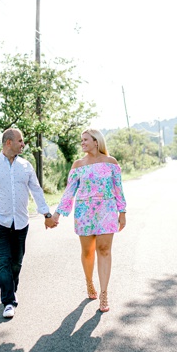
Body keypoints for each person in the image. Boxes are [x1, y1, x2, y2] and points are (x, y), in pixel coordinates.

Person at [0, 127, 56, 319]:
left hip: (20, 223)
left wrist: (46, 213)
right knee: (3, 262)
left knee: (16, 262)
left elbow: (36, 190)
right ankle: (9, 301)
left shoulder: (26, 166)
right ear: (8, 142)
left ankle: (11, 288)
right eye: (20, 141)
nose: (23, 144)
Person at [51, 128, 127, 312]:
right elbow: (69, 192)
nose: (82, 143)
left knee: (104, 250)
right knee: (87, 252)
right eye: (81, 140)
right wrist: (57, 213)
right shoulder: (78, 165)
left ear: (96, 141)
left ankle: (104, 294)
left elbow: (118, 189)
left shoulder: (111, 163)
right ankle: (89, 282)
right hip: (84, 213)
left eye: (85, 140)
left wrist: (122, 212)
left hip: (107, 211)